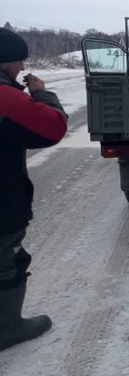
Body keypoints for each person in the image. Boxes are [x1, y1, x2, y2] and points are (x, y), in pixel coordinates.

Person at [0, 27, 68, 351]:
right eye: (18, 61)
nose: (22, 68)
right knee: (5, 259)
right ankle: (7, 328)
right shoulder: (4, 97)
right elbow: (52, 127)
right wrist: (41, 94)